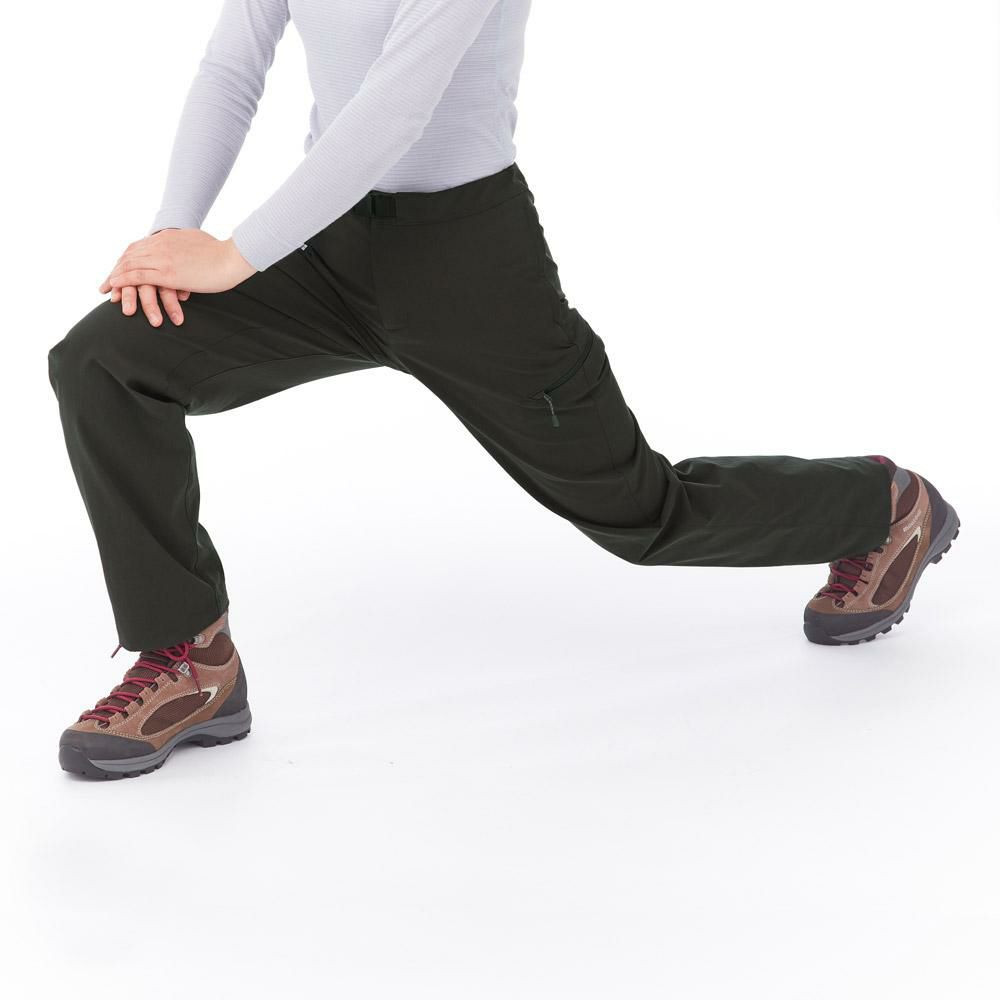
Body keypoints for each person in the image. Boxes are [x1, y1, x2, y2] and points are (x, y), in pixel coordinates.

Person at [48, 0, 960, 780]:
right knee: (105, 363)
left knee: (645, 515)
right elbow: (232, 67)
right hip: (325, 245)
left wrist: (233, 256)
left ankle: (882, 507)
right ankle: (191, 661)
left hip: (467, 263)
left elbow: (397, 107)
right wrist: (171, 240)